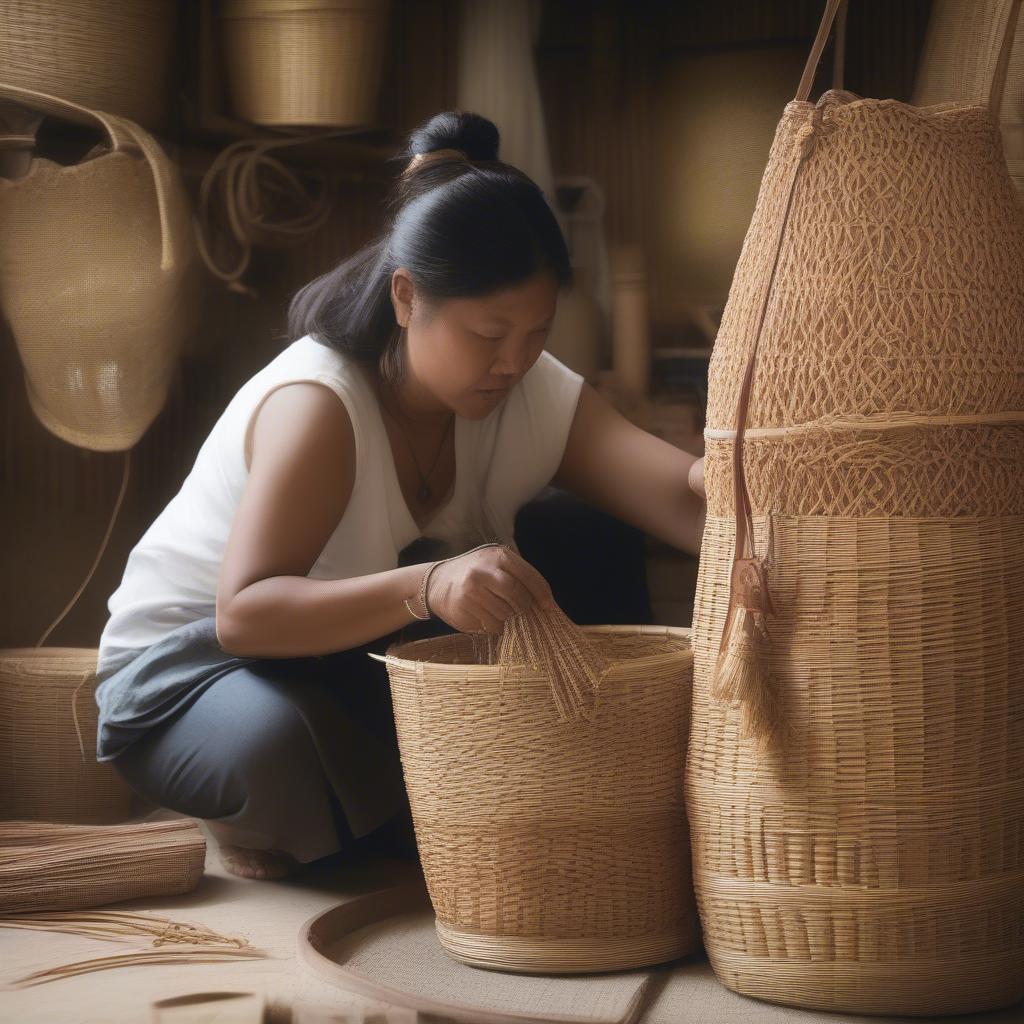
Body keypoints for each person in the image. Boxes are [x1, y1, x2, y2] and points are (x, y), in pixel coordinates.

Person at [93, 110, 707, 881]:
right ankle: (306, 820)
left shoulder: (525, 383)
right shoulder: (319, 406)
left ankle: (384, 809)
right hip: (192, 672)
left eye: (536, 333)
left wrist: (737, 473)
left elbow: (677, 498)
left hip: (340, 653)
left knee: (582, 535)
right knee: (283, 751)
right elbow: (243, 614)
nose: (513, 362)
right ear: (408, 297)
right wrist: (428, 585)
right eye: (488, 335)